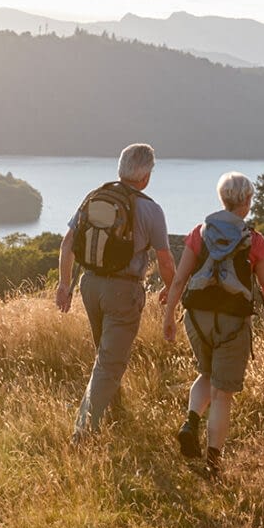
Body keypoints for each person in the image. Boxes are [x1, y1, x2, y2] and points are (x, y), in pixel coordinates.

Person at [161, 172, 264, 477]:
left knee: (206, 373)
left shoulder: (199, 233)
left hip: (197, 318)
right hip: (233, 322)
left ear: (222, 198)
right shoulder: (255, 241)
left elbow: (180, 280)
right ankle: (213, 464)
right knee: (223, 394)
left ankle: (191, 422)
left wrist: (169, 316)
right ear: (246, 201)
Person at [56, 143, 173, 442]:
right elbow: (164, 259)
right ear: (146, 176)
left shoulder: (94, 197)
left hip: (89, 285)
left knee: (106, 355)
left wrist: (64, 284)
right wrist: (172, 288)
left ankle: (116, 412)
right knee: (109, 362)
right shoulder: (150, 209)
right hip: (123, 290)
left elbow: (67, 244)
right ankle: (82, 434)